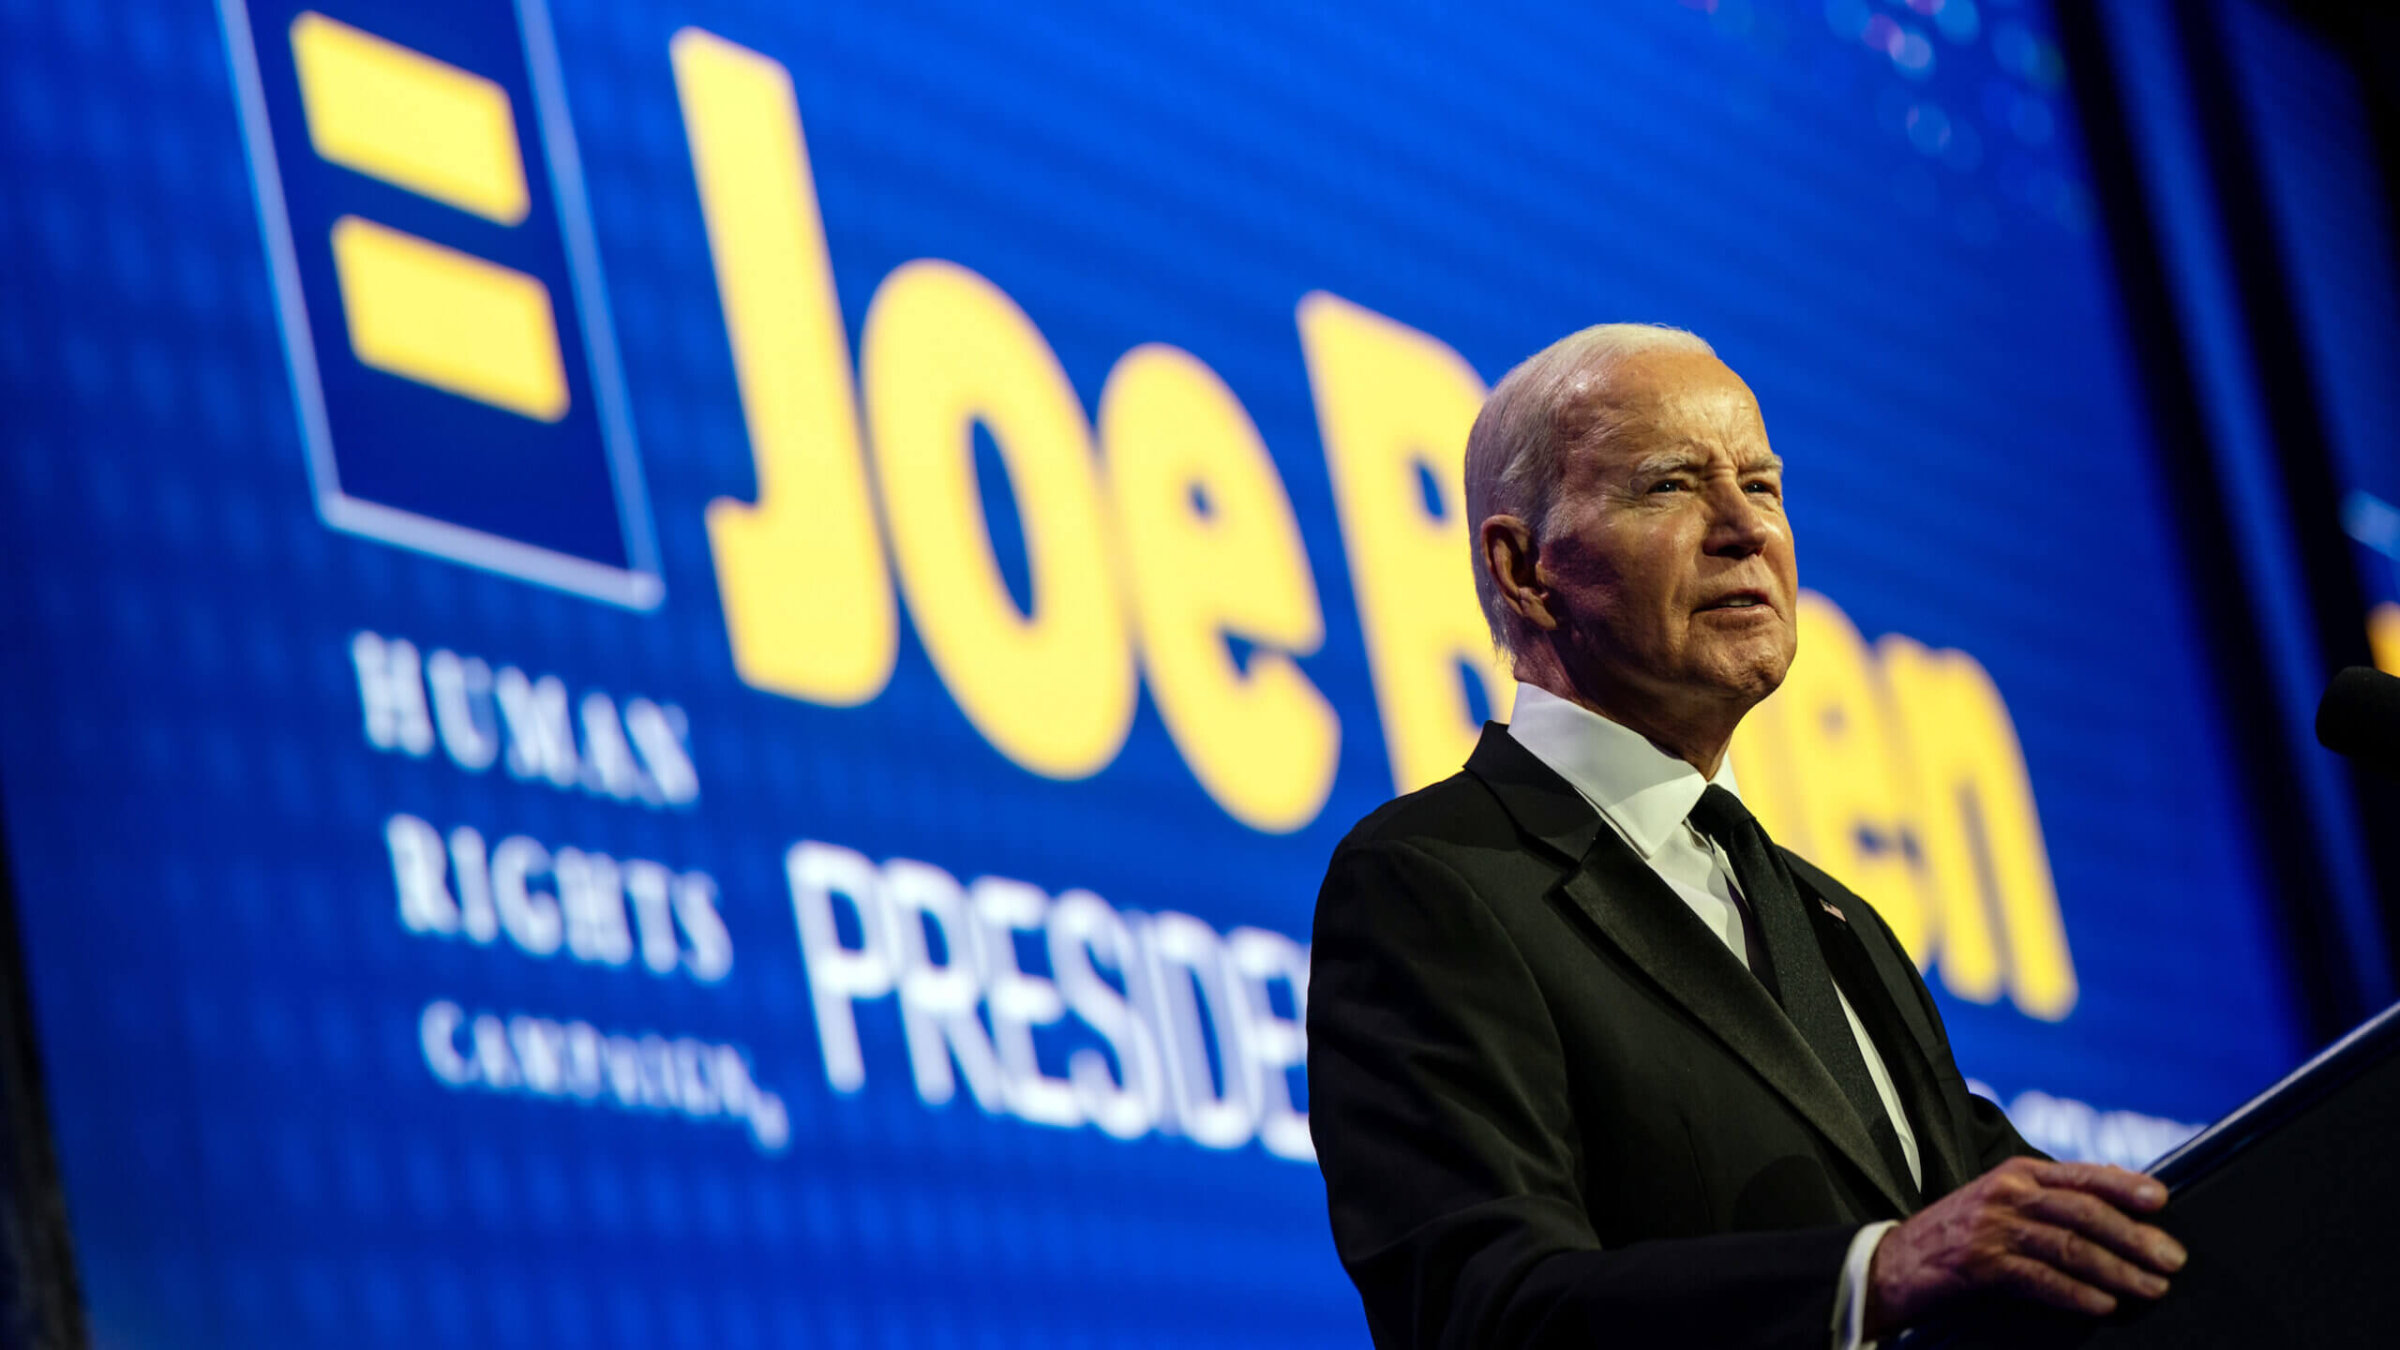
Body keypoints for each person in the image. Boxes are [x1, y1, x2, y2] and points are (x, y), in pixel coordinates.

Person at [1304, 326, 2187, 1349]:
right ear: (1525, 568)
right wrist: (1867, 1277)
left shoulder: (1832, 917)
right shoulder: (1433, 882)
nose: (1744, 529)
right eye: (1671, 486)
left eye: (1761, 487)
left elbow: (2037, 1224)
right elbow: (1481, 1310)